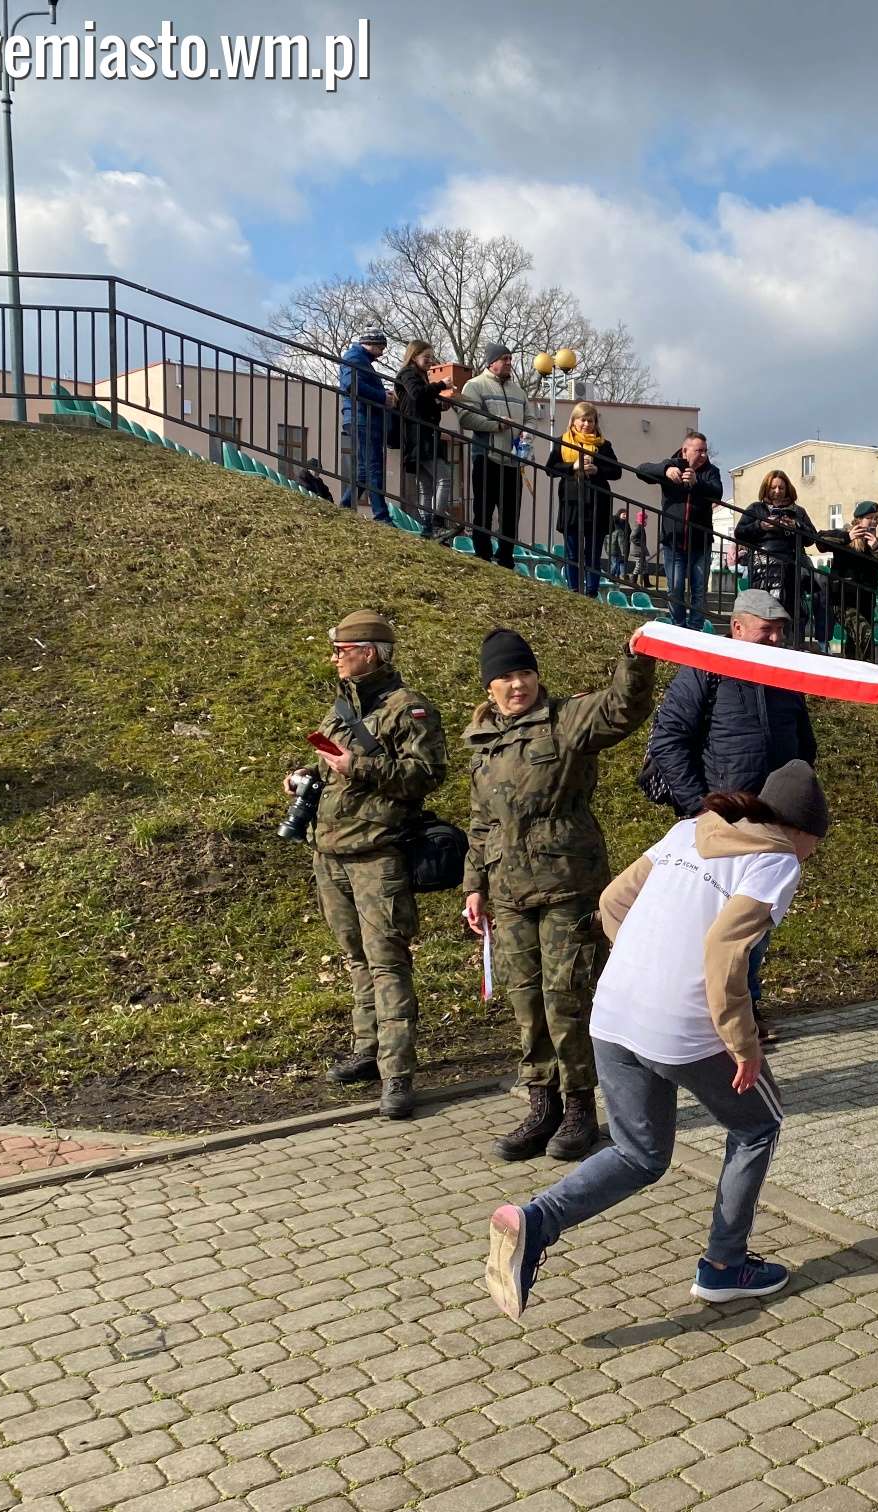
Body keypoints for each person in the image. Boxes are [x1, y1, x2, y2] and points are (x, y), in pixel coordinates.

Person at [487, 762, 829, 1322]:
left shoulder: (687, 830)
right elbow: (724, 951)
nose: (813, 855)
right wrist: (743, 1043)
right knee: (758, 1125)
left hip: (614, 1011)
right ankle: (724, 1266)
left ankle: (536, 1221)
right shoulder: (776, 861)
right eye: (817, 842)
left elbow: (612, 903)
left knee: (639, 1154)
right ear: (802, 829)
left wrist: (645, 964)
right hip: (684, 1025)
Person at [465, 627, 655, 1162]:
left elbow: (622, 708)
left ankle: (579, 1109)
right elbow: (481, 823)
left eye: (524, 673)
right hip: (508, 893)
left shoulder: (567, 720)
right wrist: (474, 887)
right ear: (489, 687)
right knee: (526, 1000)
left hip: (567, 884)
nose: (517, 685)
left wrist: (635, 660)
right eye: (505, 677)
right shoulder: (482, 741)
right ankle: (542, 1103)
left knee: (566, 997)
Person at [642, 589, 816, 1042]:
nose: (776, 639)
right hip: (720, 824)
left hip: (771, 824)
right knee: (716, 923)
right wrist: (699, 806)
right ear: (737, 628)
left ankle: (744, 1011)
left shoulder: (785, 674)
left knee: (755, 921)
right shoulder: (705, 669)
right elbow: (669, 740)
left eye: (780, 631)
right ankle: (708, 1016)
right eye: (767, 631)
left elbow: (804, 745)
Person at [295, 611, 448, 1120]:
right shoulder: (341, 708)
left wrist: (356, 765)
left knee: (386, 961)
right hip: (330, 851)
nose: (334, 658)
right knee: (356, 956)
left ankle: (397, 1072)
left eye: (342, 650)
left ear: (369, 652)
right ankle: (368, 1049)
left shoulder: (409, 709)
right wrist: (304, 777)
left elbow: (427, 774)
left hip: (377, 854)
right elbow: (331, 770)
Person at [638, 432, 723, 630]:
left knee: (699, 590)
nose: (703, 455)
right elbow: (641, 470)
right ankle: (678, 626)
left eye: (705, 451)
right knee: (675, 587)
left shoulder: (711, 472)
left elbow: (717, 492)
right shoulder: (672, 464)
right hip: (673, 542)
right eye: (699, 451)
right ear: (685, 450)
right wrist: (666, 470)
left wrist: (697, 482)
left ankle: (695, 629)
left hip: (700, 543)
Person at [458, 343, 530, 565]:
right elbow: (466, 417)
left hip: (513, 460)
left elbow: (530, 418)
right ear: (491, 362)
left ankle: (506, 557)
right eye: (504, 359)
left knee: (511, 514)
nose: (509, 363)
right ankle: (483, 553)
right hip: (486, 457)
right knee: (484, 510)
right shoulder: (474, 385)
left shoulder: (519, 391)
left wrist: (527, 433)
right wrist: (496, 425)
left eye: (510, 358)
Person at [545, 402, 621, 598]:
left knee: (593, 553)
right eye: (583, 420)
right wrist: (573, 466)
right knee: (572, 552)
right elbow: (550, 469)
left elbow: (616, 471)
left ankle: (591, 592)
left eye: (591, 421)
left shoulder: (603, 445)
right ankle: (574, 590)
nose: (587, 424)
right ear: (574, 421)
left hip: (597, 504)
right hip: (572, 504)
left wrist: (598, 470)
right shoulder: (562, 442)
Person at [735, 471, 821, 643]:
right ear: (766, 489)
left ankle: (792, 644)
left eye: (781, 488)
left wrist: (796, 526)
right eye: (773, 487)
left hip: (792, 567)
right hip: (763, 567)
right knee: (766, 609)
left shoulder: (798, 511)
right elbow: (740, 533)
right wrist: (761, 525)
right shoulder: (756, 508)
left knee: (793, 611)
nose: (777, 491)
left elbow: (812, 538)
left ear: (787, 489)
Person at [817, 501, 878, 662]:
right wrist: (847, 537)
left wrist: (876, 549)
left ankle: (851, 670)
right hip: (843, 601)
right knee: (865, 634)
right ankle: (867, 670)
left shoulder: (876, 544)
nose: (873, 522)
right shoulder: (845, 536)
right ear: (858, 520)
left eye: (876, 518)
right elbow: (819, 540)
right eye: (869, 518)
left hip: (866, 601)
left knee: (854, 643)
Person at [393, 340, 454, 536]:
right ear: (414, 357)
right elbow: (417, 395)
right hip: (419, 437)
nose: (430, 360)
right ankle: (436, 522)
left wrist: (440, 406)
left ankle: (427, 528)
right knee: (444, 477)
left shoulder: (420, 376)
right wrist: (441, 384)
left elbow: (421, 404)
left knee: (426, 485)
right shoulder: (407, 374)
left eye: (431, 357)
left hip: (423, 435)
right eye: (426, 357)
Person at [337, 329, 391, 523]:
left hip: (361, 418)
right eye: (380, 348)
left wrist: (383, 393)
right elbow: (352, 385)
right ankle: (381, 515)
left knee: (363, 470)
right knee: (374, 467)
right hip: (362, 418)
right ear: (371, 344)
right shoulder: (355, 357)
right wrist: (383, 397)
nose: (381, 353)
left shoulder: (359, 358)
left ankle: (345, 506)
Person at [604, 512, 632, 582]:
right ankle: (611, 577)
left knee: (616, 564)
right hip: (616, 551)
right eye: (623, 514)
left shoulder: (609, 532)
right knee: (615, 564)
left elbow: (605, 542)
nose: (625, 516)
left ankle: (615, 577)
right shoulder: (619, 531)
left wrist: (606, 550)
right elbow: (621, 542)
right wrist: (623, 551)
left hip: (611, 550)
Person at [628, 511, 653, 585]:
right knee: (639, 565)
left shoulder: (640, 526)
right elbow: (632, 537)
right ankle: (633, 581)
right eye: (645, 518)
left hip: (640, 550)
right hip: (638, 550)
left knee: (645, 565)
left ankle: (646, 582)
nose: (646, 520)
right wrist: (641, 544)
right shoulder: (638, 526)